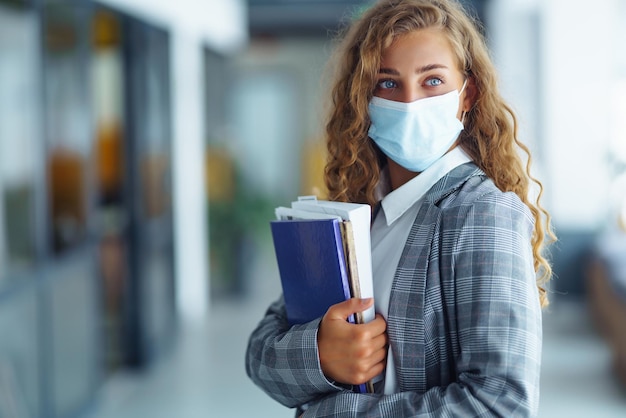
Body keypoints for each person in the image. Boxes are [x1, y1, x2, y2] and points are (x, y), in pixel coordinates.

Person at [246, 0, 554, 416]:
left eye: (432, 81)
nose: (410, 103)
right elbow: (261, 352)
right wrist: (320, 356)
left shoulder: (481, 213)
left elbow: (500, 404)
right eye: (388, 84)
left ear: (468, 94)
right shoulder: (358, 213)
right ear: (364, 98)